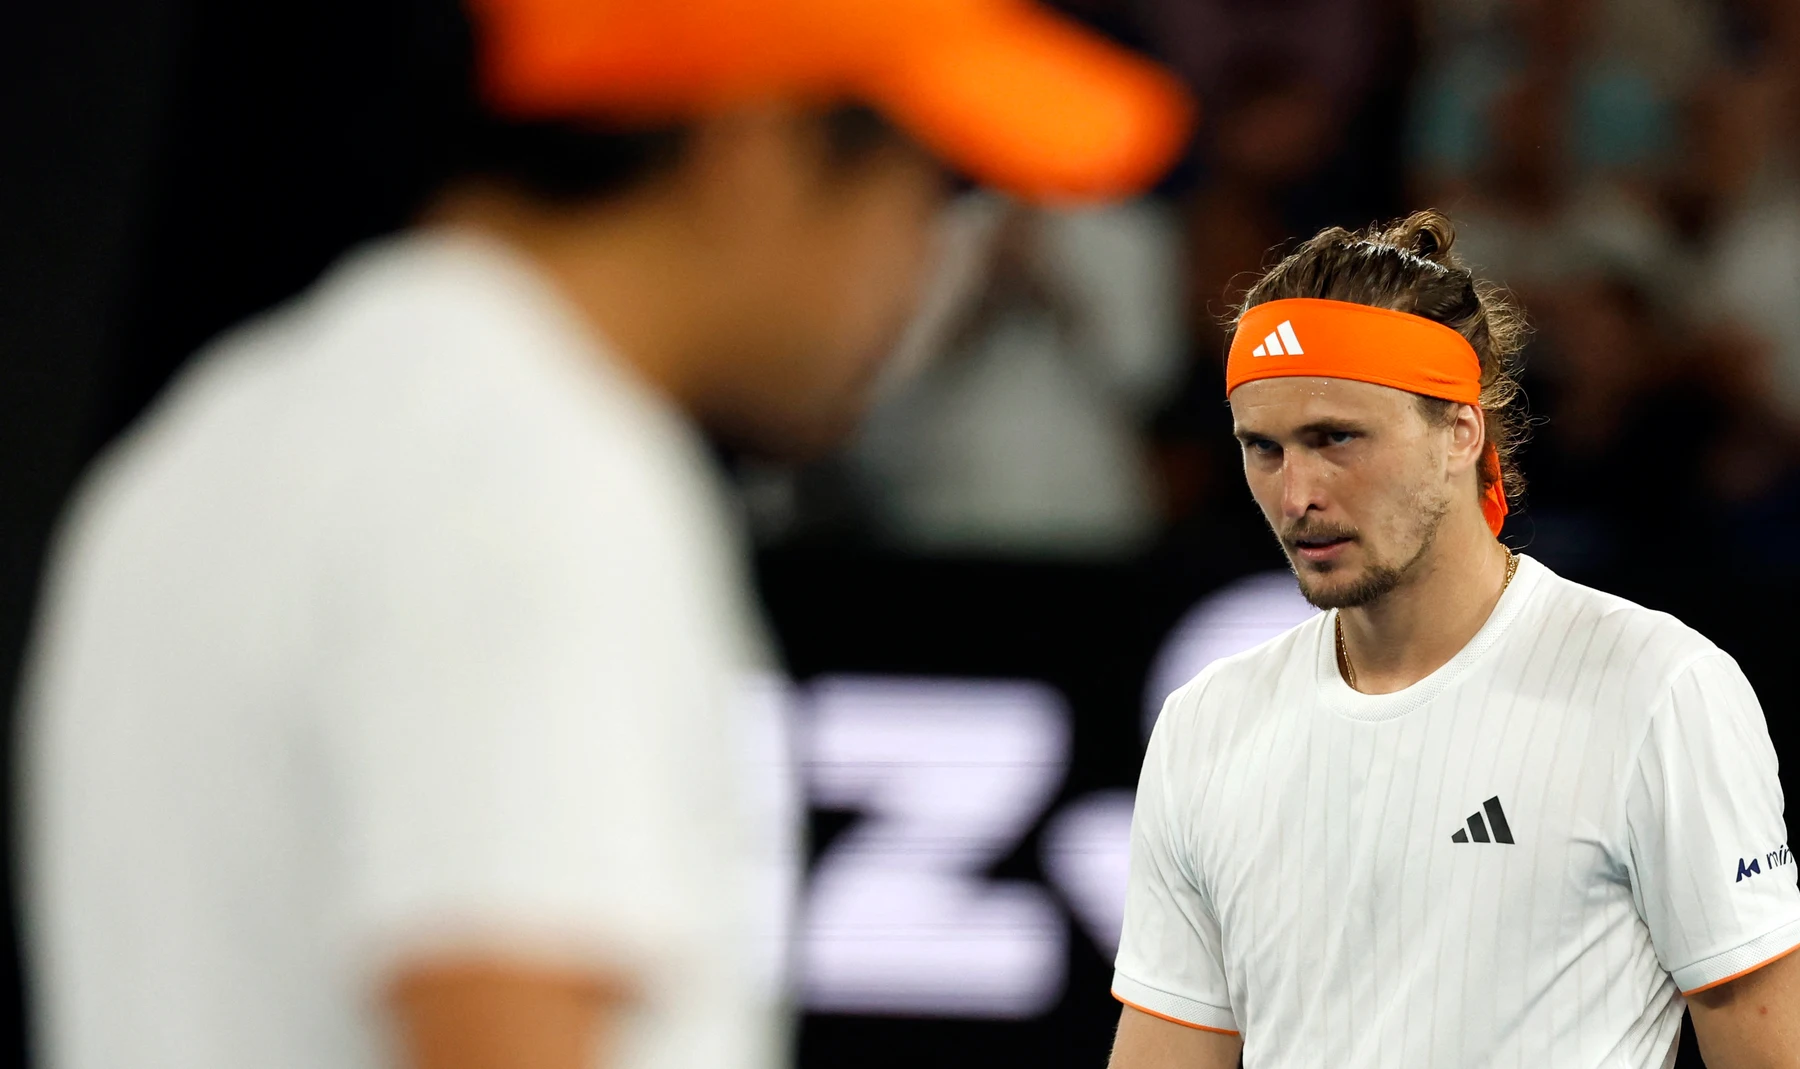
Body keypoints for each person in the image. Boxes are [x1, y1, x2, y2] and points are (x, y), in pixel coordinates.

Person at [15, 3, 1191, 1069]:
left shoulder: (219, 438)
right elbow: (507, 1028)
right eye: (924, 189)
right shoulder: (533, 473)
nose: (924, 261)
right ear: (752, 146)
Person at [1106, 212, 1800, 1069]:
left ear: (1460, 432)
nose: (1296, 495)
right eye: (1264, 448)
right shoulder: (1204, 725)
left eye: (1337, 438)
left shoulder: (1660, 689)